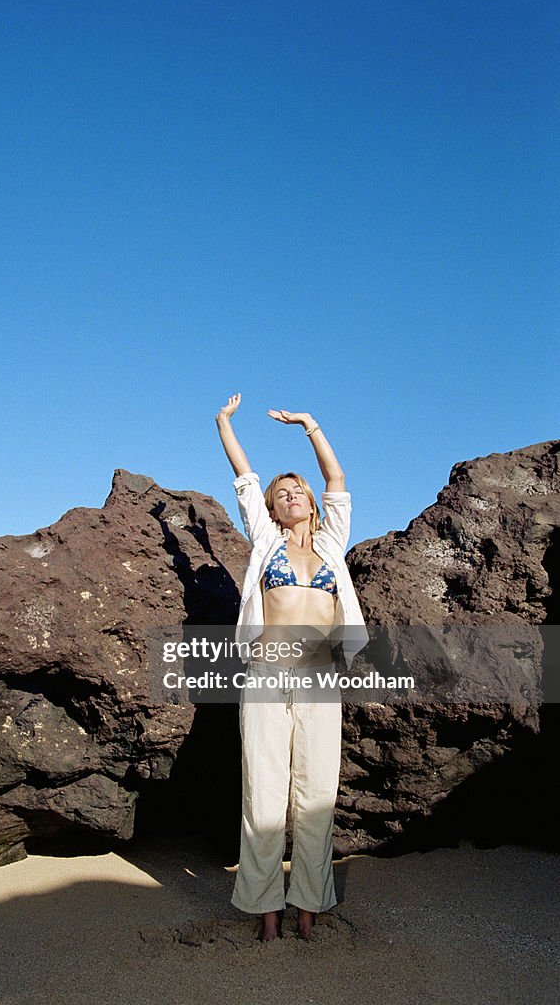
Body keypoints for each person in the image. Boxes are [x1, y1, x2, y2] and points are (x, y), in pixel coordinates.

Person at [215, 392, 368, 941]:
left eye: (297, 491)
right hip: (267, 674)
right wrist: (223, 422)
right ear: (274, 511)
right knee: (264, 791)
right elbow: (245, 476)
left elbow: (338, 478)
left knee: (317, 793)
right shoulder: (265, 542)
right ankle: (266, 909)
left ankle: (308, 904)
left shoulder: (331, 545)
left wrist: (310, 425)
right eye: (282, 495)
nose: (292, 497)